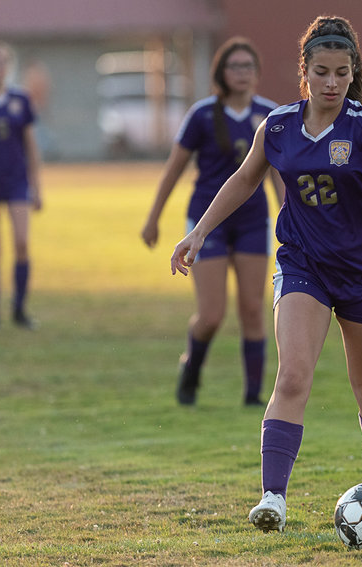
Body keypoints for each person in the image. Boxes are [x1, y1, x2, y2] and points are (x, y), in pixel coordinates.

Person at [170, 15, 362, 532]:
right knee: (292, 376)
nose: (331, 82)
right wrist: (198, 232)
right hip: (303, 265)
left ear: (354, 72)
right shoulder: (280, 126)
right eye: (321, 72)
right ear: (304, 73)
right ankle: (273, 498)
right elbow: (244, 180)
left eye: (341, 72)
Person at [142, 37, 283, 406]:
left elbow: (279, 178)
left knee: (253, 308)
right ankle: (190, 371)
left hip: (253, 222)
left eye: (248, 66)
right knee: (211, 314)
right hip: (208, 222)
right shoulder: (203, 114)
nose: (242, 73)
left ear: (257, 73)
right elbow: (173, 170)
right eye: (235, 66)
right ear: (221, 72)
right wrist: (154, 217)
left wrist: (291, 221)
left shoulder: (271, 116)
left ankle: (253, 396)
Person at [0, 40, 42, 329]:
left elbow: (30, 145)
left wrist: (37, 185)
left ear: (8, 67)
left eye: (1, 63)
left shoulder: (20, 99)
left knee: (22, 243)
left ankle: (20, 309)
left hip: (17, 181)